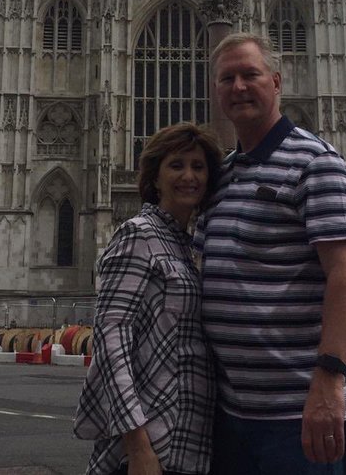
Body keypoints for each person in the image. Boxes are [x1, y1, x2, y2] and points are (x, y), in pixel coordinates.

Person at [197, 33, 346, 474]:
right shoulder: (225, 175)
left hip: (300, 415)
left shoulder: (317, 162)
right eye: (227, 78)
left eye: (250, 75)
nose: (238, 87)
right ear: (215, 91)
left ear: (276, 82)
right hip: (233, 415)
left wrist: (329, 381)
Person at [75, 122, 222, 475]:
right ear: (154, 178)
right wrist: (137, 445)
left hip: (190, 442)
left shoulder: (186, 245)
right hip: (150, 445)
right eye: (176, 165)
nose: (189, 176)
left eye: (198, 167)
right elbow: (111, 340)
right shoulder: (137, 234)